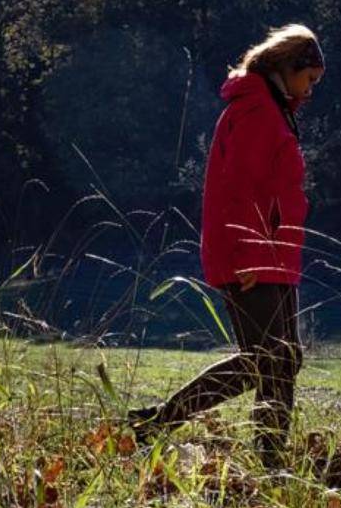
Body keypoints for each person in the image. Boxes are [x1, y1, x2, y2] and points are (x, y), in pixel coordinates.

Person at [129, 24, 325, 468]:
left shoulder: (272, 109)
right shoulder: (257, 111)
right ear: (288, 67)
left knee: (281, 358)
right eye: (309, 79)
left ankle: (266, 456)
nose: (311, 90)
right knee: (268, 358)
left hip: (276, 253)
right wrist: (251, 254)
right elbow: (239, 190)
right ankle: (175, 426)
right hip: (253, 255)